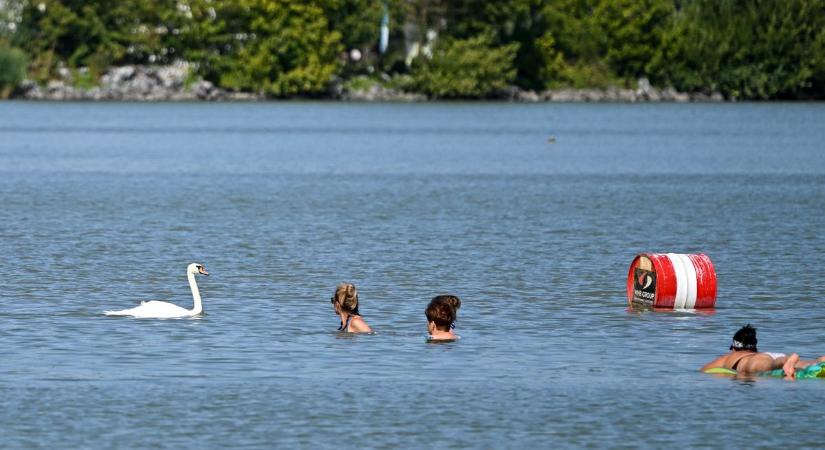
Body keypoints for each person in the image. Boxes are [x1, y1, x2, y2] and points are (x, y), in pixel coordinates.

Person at [701, 324, 825, 377]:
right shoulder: (759, 353)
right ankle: (821, 359)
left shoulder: (731, 357)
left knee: (770, 365)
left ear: (734, 347)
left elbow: (704, 370)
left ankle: (787, 360)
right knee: (810, 363)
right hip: (773, 354)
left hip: (752, 362)